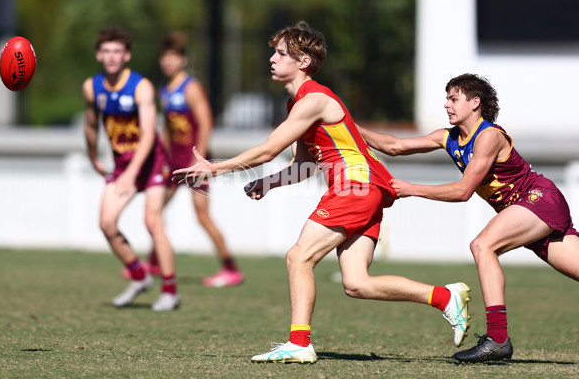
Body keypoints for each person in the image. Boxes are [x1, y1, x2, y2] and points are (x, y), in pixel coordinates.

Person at [174, 22, 471, 363]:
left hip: (354, 187)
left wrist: (215, 167)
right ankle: (444, 297)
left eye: (281, 53)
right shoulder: (300, 105)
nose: (272, 58)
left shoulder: (313, 99)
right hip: (365, 188)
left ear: (303, 62)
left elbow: (269, 149)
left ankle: (299, 343)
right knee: (357, 283)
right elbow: (305, 163)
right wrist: (267, 184)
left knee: (298, 256)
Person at [358, 73, 579, 363]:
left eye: (454, 99)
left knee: (482, 245)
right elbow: (394, 147)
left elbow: (463, 191)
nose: (447, 105)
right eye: (447, 99)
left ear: (475, 103)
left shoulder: (489, 136)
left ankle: (498, 339)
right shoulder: (447, 137)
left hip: (539, 200)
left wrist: (412, 188)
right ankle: (498, 340)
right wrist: (346, 125)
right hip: (526, 210)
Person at [122, 32, 243, 287]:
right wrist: (161, 155)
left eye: (174, 57)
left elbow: (206, 123)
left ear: (183, 60)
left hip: (194, 161)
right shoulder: (164, 90)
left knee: (202, 216)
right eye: (165, 57)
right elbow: (167, 127)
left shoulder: (191, 87)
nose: (168, 62)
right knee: (155, 209)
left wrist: (197, 159)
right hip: (173, 162)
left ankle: (230, 268)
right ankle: (154, 263)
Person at [83, 26, 180, 311]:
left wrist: (131, 171)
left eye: (117, 51)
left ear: (127, 55)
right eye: (106, 51)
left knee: (153, 223)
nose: (112, 57)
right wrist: (92, 155)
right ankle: (139, 277)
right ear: (99, 55)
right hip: (122, 164)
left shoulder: (141, 86)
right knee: (107, 224)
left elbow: (150, 134)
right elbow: (90, 124)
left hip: (151, 164)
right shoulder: (92, 87)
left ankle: (170, 291)